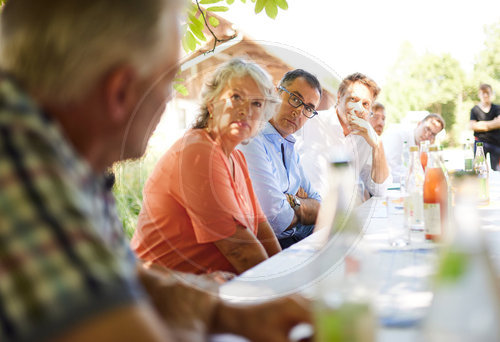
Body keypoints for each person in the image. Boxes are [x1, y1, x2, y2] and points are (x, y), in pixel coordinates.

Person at [0, 1, 310, 341]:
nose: (168, 98)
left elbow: (118, 273)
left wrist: (218, 312)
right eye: (169, 79)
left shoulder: (71, 160)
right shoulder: (18, 161)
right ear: (120, 92)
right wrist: (193, 319)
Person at [131, 59, 282, 275]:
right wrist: (286, 290)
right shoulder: (198, 151)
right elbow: (241, 251)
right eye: (236, 97)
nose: (245, 110)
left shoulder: (236, 158)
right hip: (162, 295)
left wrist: (290, 277)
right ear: (211, 104)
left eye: (256, 103)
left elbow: (263, 233)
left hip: (210, 290)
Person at [239, 69, 322, 249]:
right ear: (277, 94)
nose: (299, 111)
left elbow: (320, 205)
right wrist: (303, 206)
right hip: (272, 245)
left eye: (308, 108)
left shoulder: (290, 146)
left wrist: (290, 201)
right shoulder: (252, 140)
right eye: (295, 99)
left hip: (298, 235)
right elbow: (276, 219)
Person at [296, 73, 391, 202]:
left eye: (365, 104)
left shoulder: (365, 139)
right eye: (353, 99)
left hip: (344, 218)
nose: (358, 109)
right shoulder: (310, 122)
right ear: (340, 96)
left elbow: (379, 190)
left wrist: (377, 145)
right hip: (307, 213)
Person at [382, 113, 445, 183]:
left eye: (433, 134)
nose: (427, 135)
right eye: (427, 129)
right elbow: (391, 169)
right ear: (419, 124)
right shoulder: (398, 135)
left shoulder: (425, 148)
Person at [469, 83, 500, 171]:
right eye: (483, 93)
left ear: (491, 94)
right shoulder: (474, 110)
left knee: (497, 170)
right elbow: (472, 126)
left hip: (496, 143)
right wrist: (493, 123)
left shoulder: (497, 108)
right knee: (479, 169)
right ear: (479, 94)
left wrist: (482, 125)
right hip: (480, 144)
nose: (486, 95)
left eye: (488, 93)